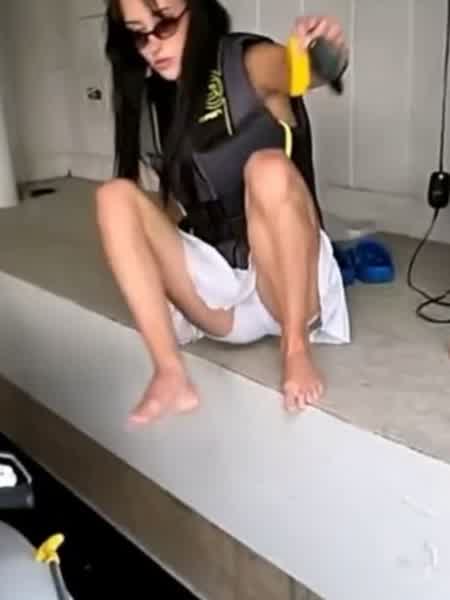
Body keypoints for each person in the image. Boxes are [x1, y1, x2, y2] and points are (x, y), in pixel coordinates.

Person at [97, 0, 351, 425]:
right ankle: (168, 371)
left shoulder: (245, 61)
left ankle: (294, 348)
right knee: (114, 196)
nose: (152, 45)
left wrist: (325, 52)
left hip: (286, 288)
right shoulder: (153, 102)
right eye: (138, 34)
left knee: (266, 168)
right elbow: (174, 214)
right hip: (223, 299)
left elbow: (302, 70)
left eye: (164, 24)